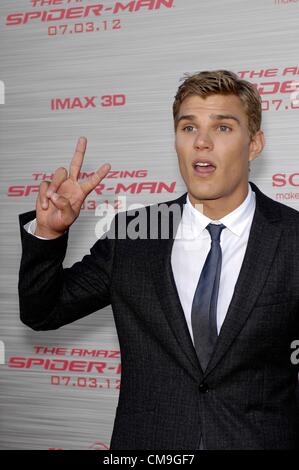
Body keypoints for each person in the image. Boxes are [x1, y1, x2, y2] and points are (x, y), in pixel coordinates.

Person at [18, 70, 299, 450]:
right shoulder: (135, 232)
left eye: (222, 128)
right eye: (188, 128)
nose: (201, 142)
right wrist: (49, 234)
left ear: (254, 144)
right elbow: (42, 312)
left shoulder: (292, 235)